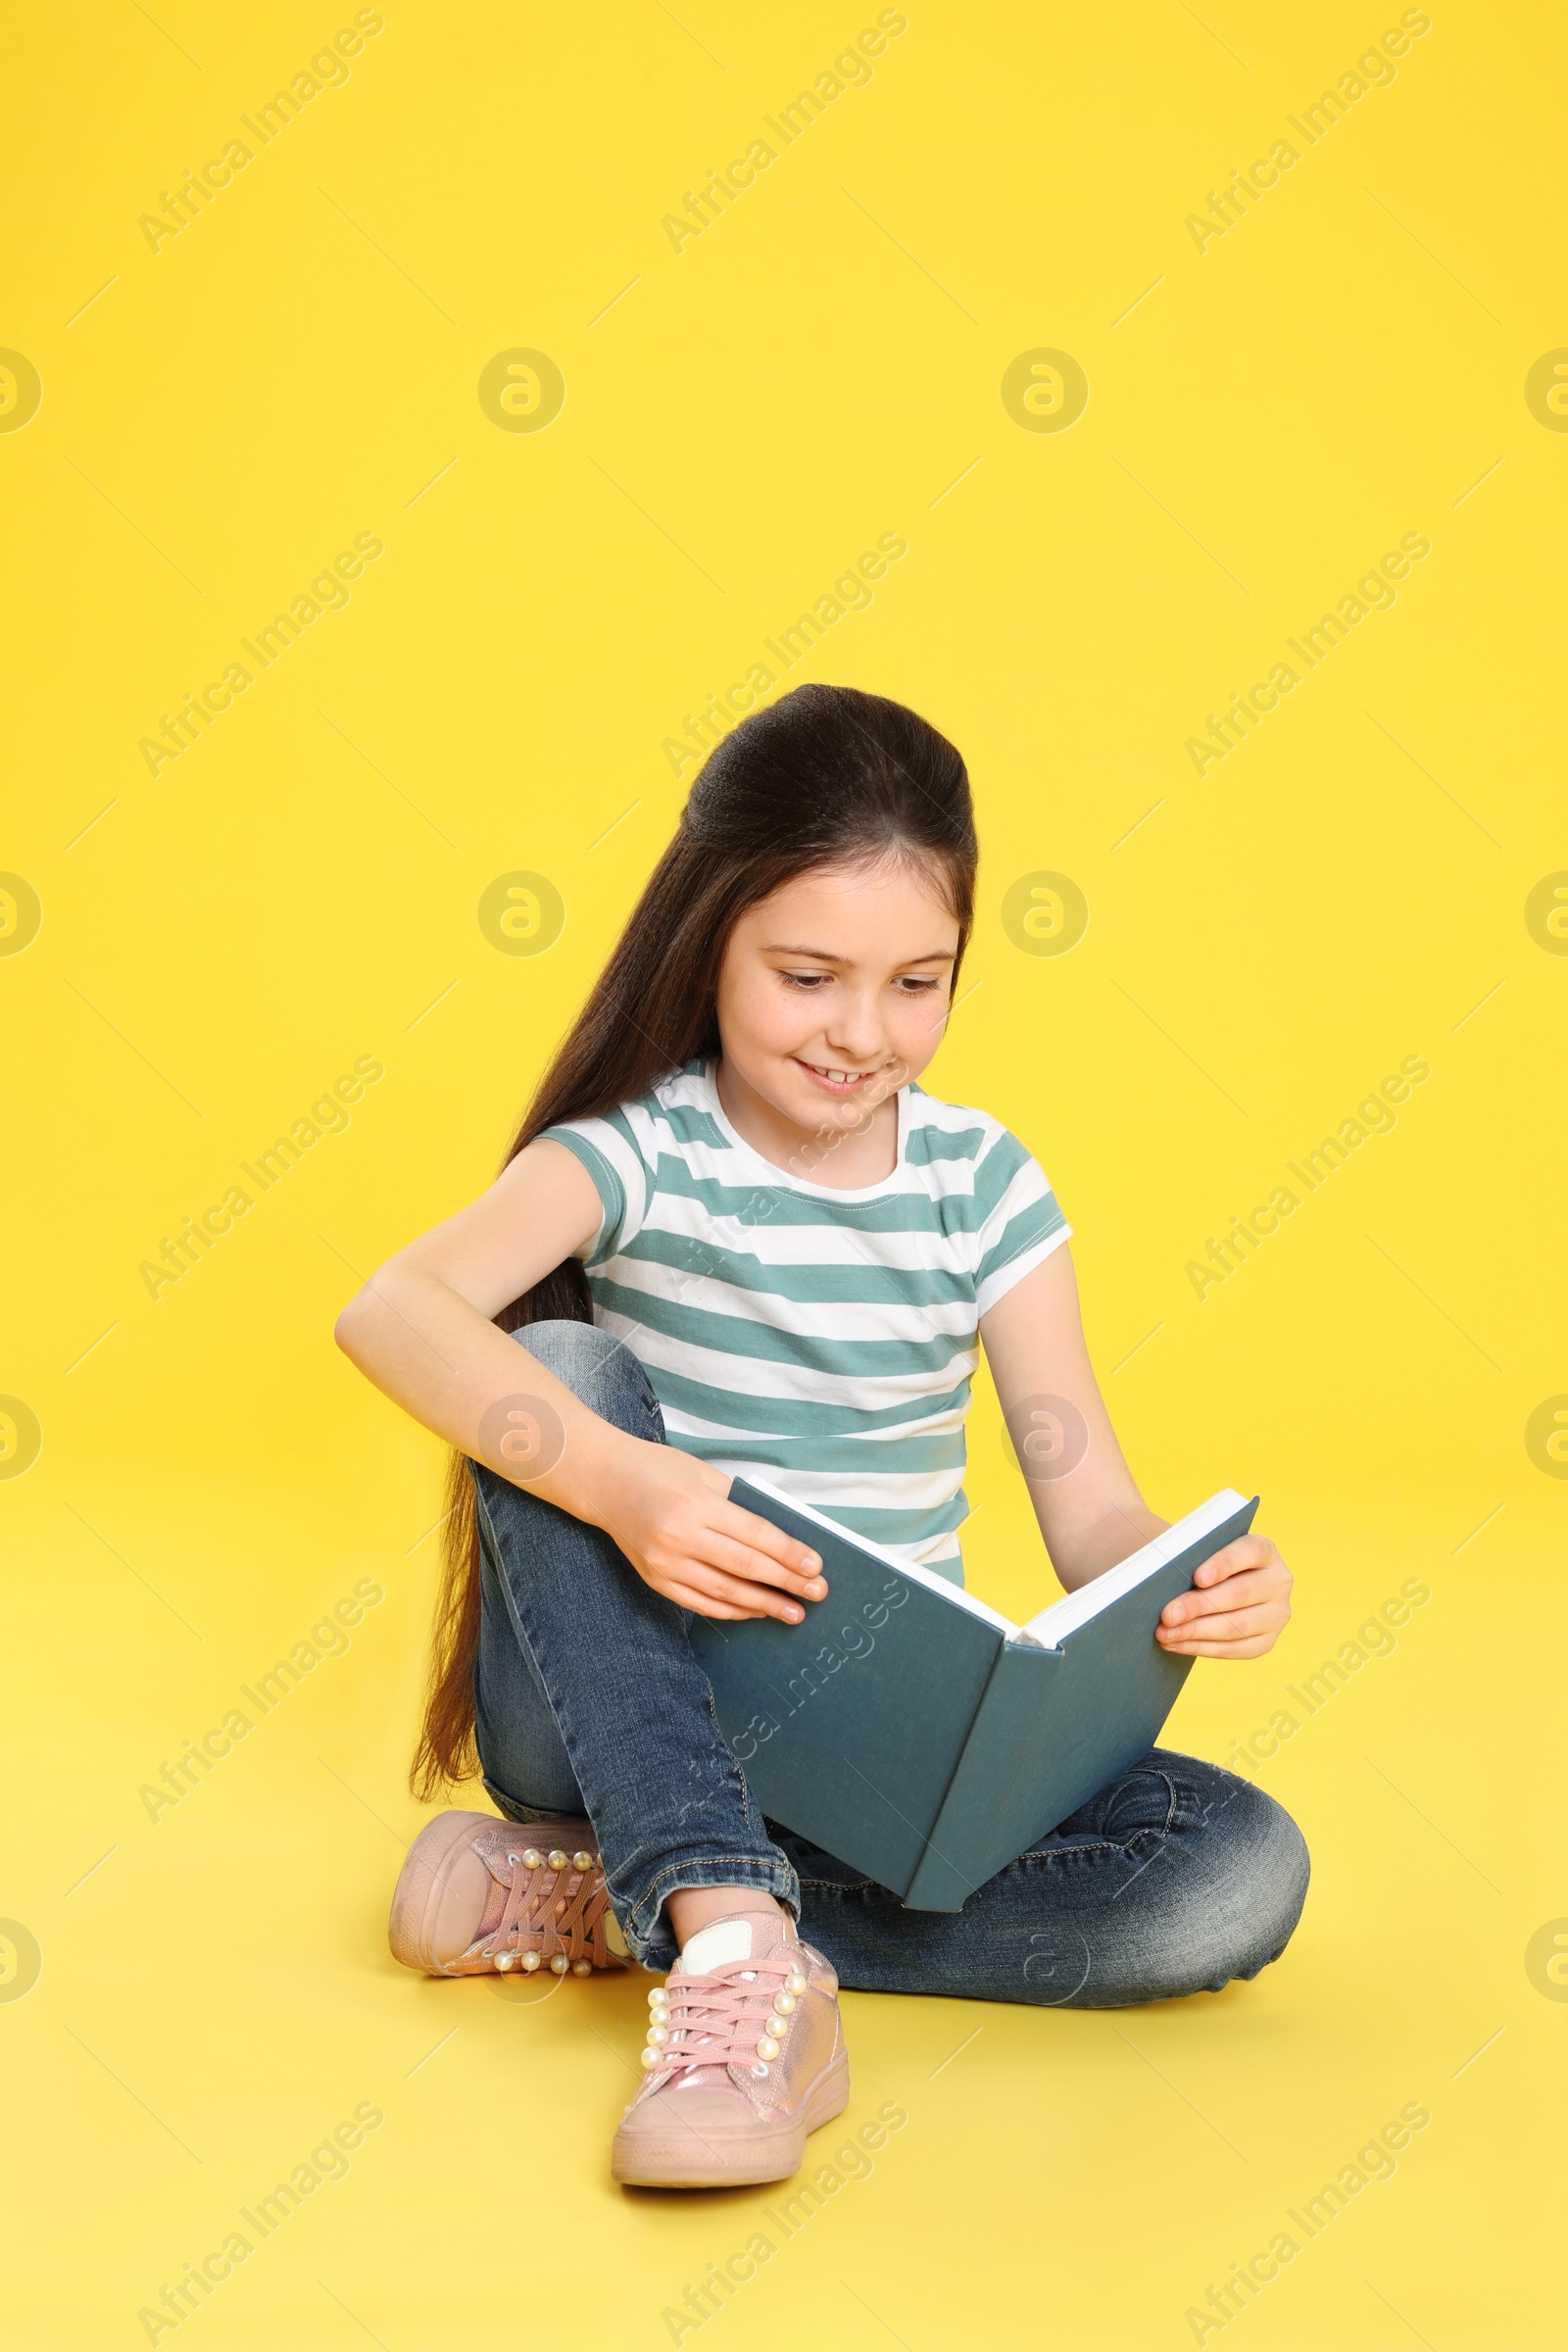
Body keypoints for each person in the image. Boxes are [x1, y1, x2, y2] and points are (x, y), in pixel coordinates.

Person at [334, 682, 1307, 2191]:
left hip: (867, 1764)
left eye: (919, 983)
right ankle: (728, 1944)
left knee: (1231, 1873)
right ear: (711, 939)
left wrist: (1179, 1575)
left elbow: (1091, 1505)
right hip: (620, 1715)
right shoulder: (640, 1152)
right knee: (560, 1366)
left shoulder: (983, 1186)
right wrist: (633, 1487)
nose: (865, 1035)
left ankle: (625, 1907)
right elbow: (393, 1310)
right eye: (808, 976)